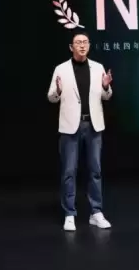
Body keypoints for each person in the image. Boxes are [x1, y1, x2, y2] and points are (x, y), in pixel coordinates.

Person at [47, 30, 113, 231]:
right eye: (78, 42)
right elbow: (51, 97)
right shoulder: (61, 69)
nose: (82, 45)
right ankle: (69, 214)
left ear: (89, 45)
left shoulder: (98, 67)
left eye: (85, 42)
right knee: (69, 172)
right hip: (70, 127)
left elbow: (106, 96)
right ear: (71, 47)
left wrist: (106, 87)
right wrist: (58, 90)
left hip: (93, 125)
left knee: (95, 171)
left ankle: (96, 212)